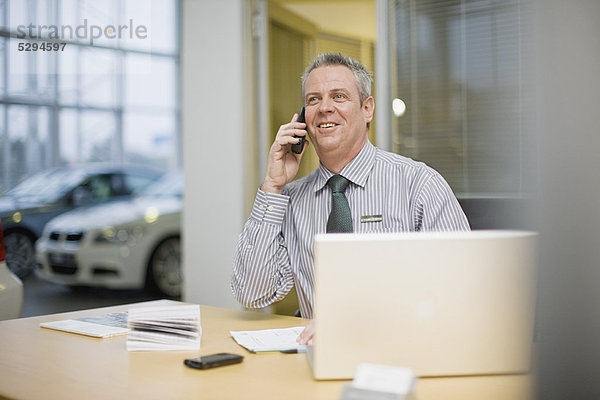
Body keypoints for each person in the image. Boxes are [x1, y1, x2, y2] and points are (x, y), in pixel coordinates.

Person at [231, 53, 470, 343]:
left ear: (367, 108)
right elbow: (253, 294)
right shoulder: (291, 201)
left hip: (402, 352)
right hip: (316, 361)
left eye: (339, 96)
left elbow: (461, 292)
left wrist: (361, 323)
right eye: (313, 100)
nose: (324, 108)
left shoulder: (418, 185)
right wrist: (272, 186)